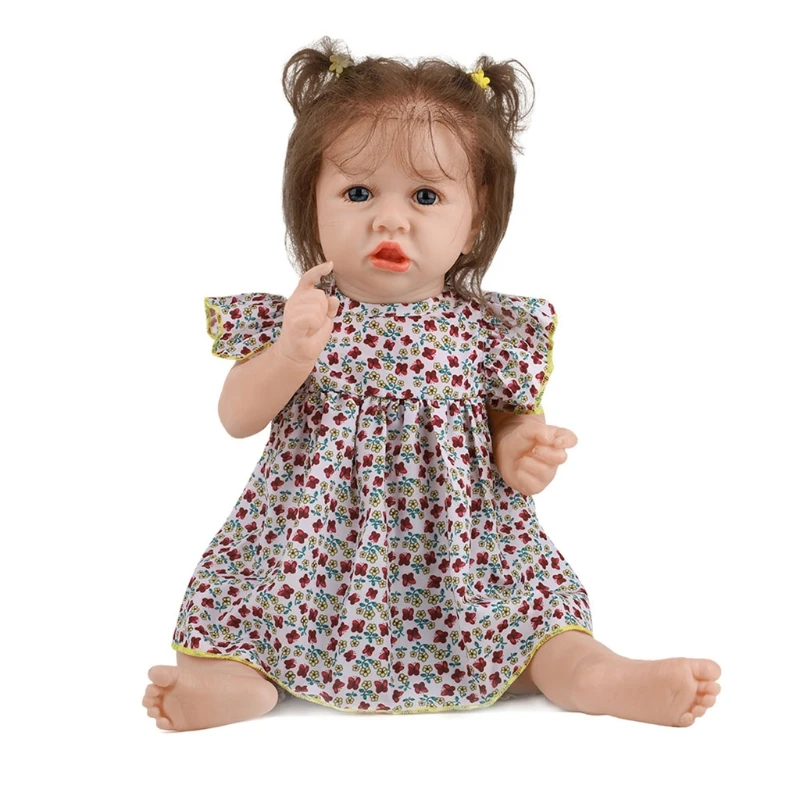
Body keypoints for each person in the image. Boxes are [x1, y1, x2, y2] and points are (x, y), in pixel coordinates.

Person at [142, 37, 721, 731]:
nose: (390, 218)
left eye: (426, 196)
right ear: (311, 206)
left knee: (536, 619)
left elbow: (510, 420)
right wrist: (291, 354)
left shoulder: (488, 330)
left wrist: (522, 449)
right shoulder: (301, 318)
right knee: (247, 615)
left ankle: (594, 676)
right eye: (357, 193)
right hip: (310, 553)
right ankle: (237, 686)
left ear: (475, 223)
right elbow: (237, 417)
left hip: (461, 556)